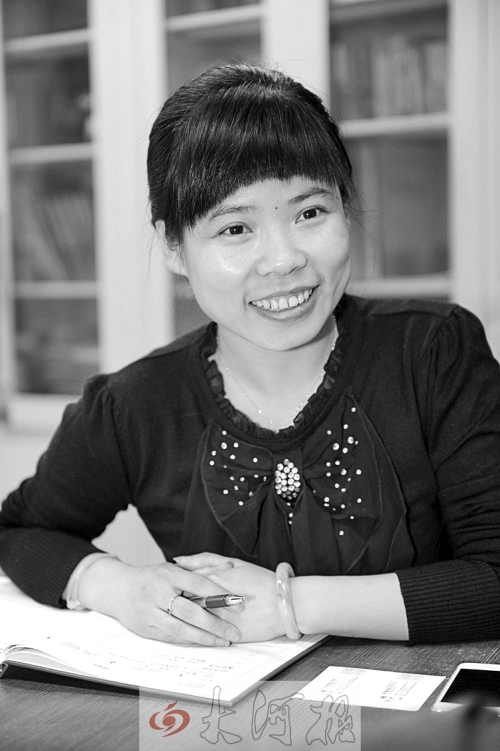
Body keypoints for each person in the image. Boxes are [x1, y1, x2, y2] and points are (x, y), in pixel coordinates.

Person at [1, 63, 500, 649]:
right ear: (173, 246)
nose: (284, 259)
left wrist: (290, 605)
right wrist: (117, 586)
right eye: (236, 229)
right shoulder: (134, 405)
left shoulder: (434, 352)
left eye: (310, 213)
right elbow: (19, 532)